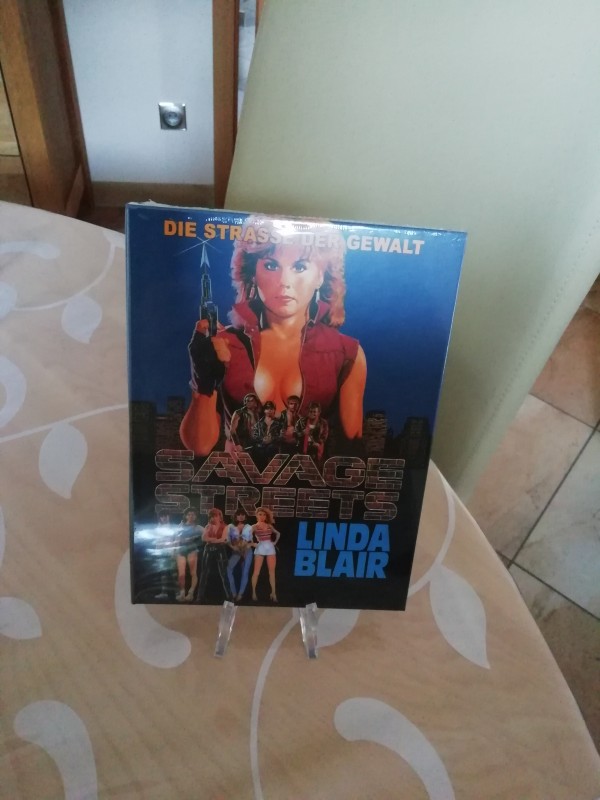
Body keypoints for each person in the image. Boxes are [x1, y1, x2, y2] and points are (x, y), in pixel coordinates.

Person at [179, 215, 367, 457]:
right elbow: (200, 446)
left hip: (309, 480)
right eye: (270, 266)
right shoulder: (224, 344)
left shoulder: (347, 354)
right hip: (236, 479)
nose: (284, 281)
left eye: (300, 266)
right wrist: (202, 384)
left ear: (321, 276)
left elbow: (351, 451)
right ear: (253, 274)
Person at [196, 508, 231, 602]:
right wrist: (215, 540)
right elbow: (204, 538)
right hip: (208, 548)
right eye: (212, 516)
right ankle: (200, 596)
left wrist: (211, 539)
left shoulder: (225, 526)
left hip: (220, 549)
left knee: (223, 573)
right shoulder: (208, 526)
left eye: (216, 516)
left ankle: (229, 597)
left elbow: (223, 539)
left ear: (220, 516)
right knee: (204, 572)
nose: (214, 518)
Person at [250, 506, 281, 603]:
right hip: (260, 548)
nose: (262, 516)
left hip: (270, 548)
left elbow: (278, 533)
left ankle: (273, 593)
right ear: (256, 515)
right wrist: (253, 543)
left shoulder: (269, 525)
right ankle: (253, 592)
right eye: (260, 514)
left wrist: (274, 542)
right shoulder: (254, 526)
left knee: (272, 572)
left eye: (264, 515)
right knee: (256, 572)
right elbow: (247, 536)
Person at [174, 508, 203, 602]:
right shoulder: (180, 526)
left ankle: (191, 593)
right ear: (186, 516)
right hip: (181, 550)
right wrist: (174, 550)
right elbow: (176, 539)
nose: (191, 516)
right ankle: (182, 593)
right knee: (181, 574)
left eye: (193, 514)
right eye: (189, 514)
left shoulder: (198, 527)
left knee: (193, 573)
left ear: (195, 516)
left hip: (192, 550)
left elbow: (206, 534)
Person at [226, 510, 254, 601]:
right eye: (239, 515)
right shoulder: (231, 526)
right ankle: (233, 592)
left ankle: (240, 594)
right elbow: (227, 540)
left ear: (245, 516)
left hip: (247, 551)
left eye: (243, 515)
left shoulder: (249, 526)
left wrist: (248, 545)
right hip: (236, 551)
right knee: (228, 569)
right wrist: (233, 547)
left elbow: (250, 540)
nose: (241, 516)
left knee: (245, 572)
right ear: (235, 516)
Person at [251, 400, 282, 467]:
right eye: (267, 408)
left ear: (274, 410)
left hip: (274, 448)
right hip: (260, 448)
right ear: (264, 410)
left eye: (271, 408)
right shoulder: (258, 424)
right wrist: (262, 440)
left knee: (271, 448)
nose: (269, 410)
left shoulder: (279, 424)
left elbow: (281, 436)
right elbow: (254, 436)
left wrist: (272, 439)